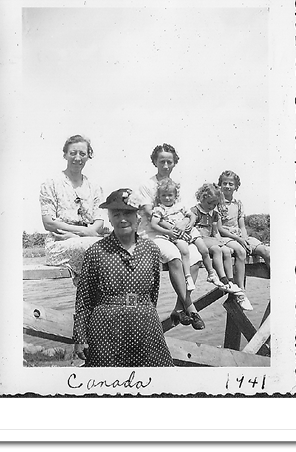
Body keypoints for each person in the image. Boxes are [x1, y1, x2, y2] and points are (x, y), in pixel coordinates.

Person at [73, 189, 174, 367]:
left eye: (128, 213)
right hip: (106, 327)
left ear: (138, 217)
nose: (122, 219)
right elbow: (84, 299)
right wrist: (80, 336)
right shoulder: (96, 252)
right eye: (116, 214)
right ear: (109, 218)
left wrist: (144, 314)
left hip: (145, 324)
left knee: (156, 382)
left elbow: (153, 294)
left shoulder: (151, 250)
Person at [137, 144, 204, 326]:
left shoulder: (176, 186)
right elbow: (151, 214)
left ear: (175, 163)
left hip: (176, 232)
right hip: (154, 233)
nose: (166, 166)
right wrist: (175, 229)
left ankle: (178, 308)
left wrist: (185, 224)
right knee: (174, 257)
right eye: (162, 161)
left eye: (169, 162)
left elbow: (186, 212)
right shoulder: (147, 185)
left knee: (196, 258)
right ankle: (191, 308)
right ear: (155, 162)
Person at [39, 135, 108, 281]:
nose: (78, 158)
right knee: (102, 249)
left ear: (88, 156)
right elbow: (49, 223)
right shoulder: (51, 184)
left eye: (82, 154)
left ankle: (108, 300)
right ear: (65, 155)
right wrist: (83, 232)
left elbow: (99, 224)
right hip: (59, 244)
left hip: (89, 240)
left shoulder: (95, 188)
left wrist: (79, 235)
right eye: (73, 153)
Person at [216, 169, 268, 299]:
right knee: (241, 252)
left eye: (231, 184)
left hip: (239, 235)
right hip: (226, 237)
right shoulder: (217, 204)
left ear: (236, 187)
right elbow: (220, 229)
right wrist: (239, 240)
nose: (227, 186)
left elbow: (242, 226)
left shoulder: (238, 204)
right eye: (224, 183)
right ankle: (241, 292)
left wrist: (244, 238)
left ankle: (281, 284)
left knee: (266, 251)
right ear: (220, 185)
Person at [191, 183, 245, 301]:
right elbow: (192, 229)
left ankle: (230, 281)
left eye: (214, 204)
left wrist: (220, 240)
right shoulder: (195, 211)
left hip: (210, 239)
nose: (211, 206)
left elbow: (215, 231)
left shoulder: (214, 214)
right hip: (199, 239)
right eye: (209, 203)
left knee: (225, 250)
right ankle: (222, 278)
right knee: (216, 249)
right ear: (201, 197)